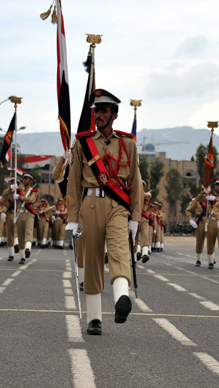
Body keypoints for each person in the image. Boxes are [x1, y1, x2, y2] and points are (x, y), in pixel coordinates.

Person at [66, 89, 143, 335]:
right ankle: (94, 319)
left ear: (114, 115)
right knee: (92, 261)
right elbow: (73, 182)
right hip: (89, 205)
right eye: (96, 111)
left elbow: (136, 182)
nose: (98, 115)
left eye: (104, 111)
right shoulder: (83, 143)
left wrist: (136, 218)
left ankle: (122, 299)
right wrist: (72, 218)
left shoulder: (128, 144)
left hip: (118, 208)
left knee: (120, 251)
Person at [13, 173, 39, 264]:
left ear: (30, 181)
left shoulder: (34, 191)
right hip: (20, 214)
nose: (24, 180)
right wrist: (13, 191)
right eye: (24, 179)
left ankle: (28, 249)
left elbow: (32, 200)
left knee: (28, 232)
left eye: (27, 179)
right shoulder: (19, 191)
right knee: (20, 235)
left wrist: (20, 197)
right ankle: (22, 257)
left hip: (29, 214)